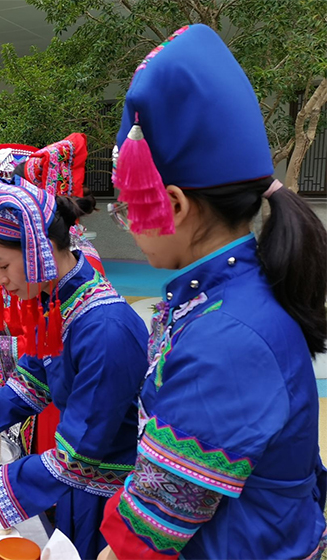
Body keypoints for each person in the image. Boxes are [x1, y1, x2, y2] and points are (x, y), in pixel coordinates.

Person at [94, 25, 327, 560]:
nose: (128, 223)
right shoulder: (225, 299)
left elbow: (151, 530)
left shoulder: (228, 335)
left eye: (129, 208)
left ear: (174, 206)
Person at [0, 180, 149, 559]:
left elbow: (75, 458)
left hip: (106, 506)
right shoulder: (56, 303)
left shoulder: (106, 330)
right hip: (76, 492)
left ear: (41, 252)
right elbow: (30, 385)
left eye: (3, 265)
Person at [0, 134, 110, 454]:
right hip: (33, 396)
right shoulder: (41, 274)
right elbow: (32, 365)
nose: (0, 279)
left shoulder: (92, 308)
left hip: (59, 412)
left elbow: (49, 349)